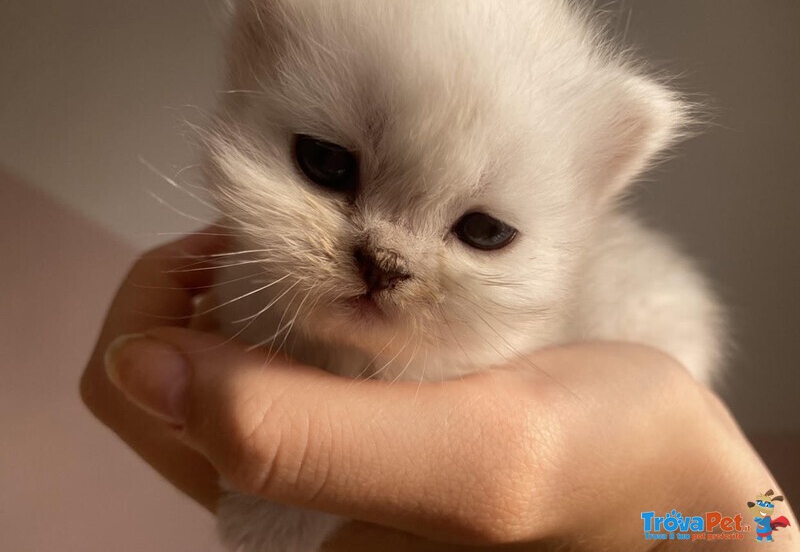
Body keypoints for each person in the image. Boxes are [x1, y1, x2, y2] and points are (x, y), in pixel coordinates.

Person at [80, 229, 796, 550]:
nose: (389, 260)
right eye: (325, 163)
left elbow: (769, 522)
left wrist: (731, 521)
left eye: (481, 229)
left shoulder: (638, 308)